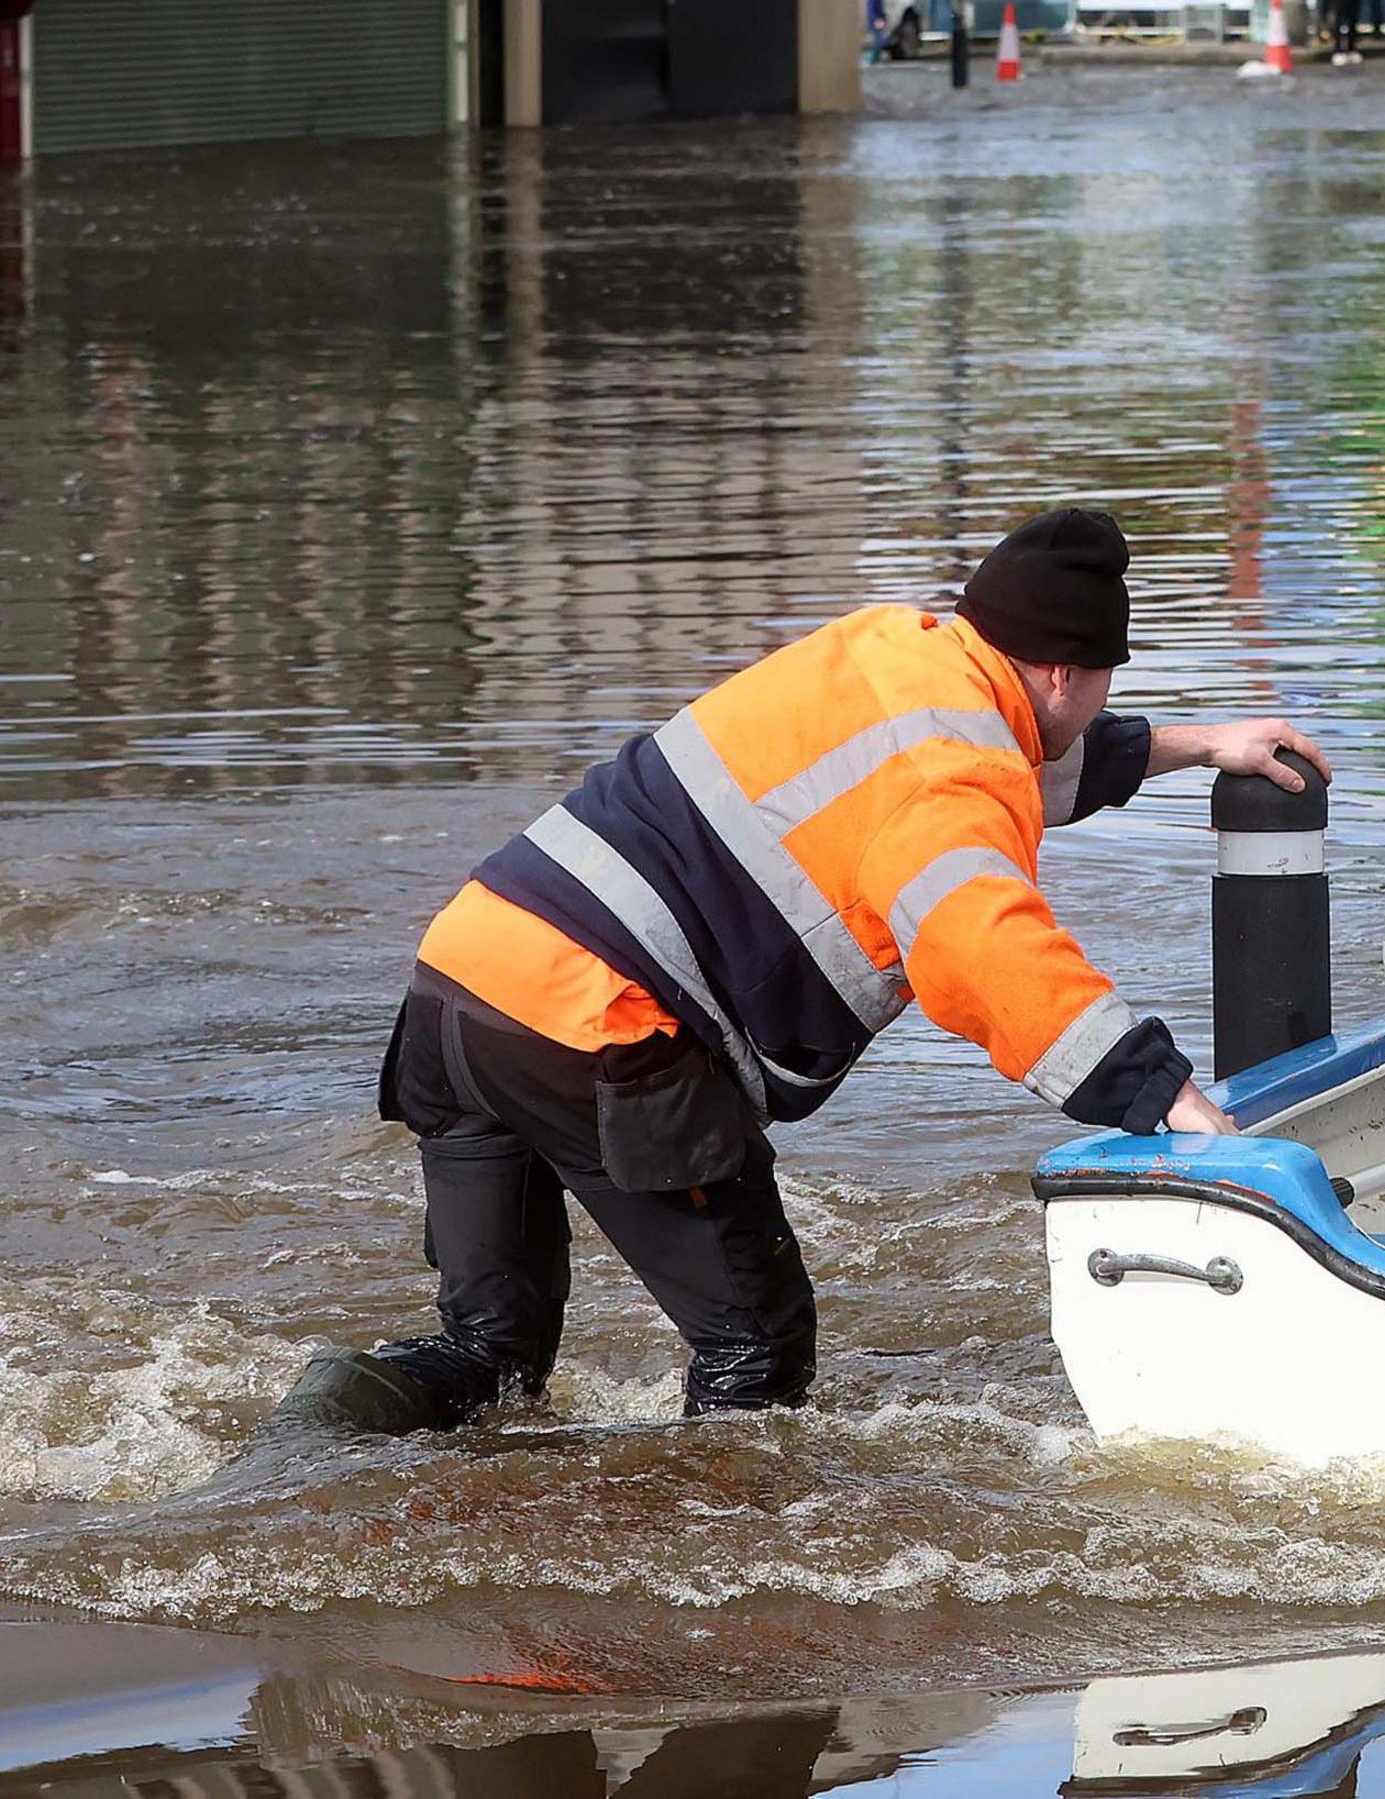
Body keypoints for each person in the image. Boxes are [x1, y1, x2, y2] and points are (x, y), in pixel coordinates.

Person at [279, 509, 1328, 1434]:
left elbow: (1025, 759)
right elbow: (981, 948)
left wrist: (1200, 747)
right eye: (1106, 682)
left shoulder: (890, 648)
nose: (1100, 703)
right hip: (597, 1024)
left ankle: (315, 1438)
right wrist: (1166, 1097)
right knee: (757, 1349)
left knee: (490, 1360)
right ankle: (708, 1603)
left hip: (463, 983)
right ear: (1067, 672)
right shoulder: (957, 768)